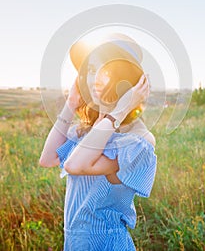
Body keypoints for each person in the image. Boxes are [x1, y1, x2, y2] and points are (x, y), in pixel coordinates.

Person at [39, 33, 157, 251]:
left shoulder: (136, 140)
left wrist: (121, 110)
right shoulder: (87, 131)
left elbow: (75, 165)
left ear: (126, 82)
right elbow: (48, 159)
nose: (96, 79)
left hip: (107, 244)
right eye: (92, 70)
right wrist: (72, 103)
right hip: (75, 244)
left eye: (108, 71)